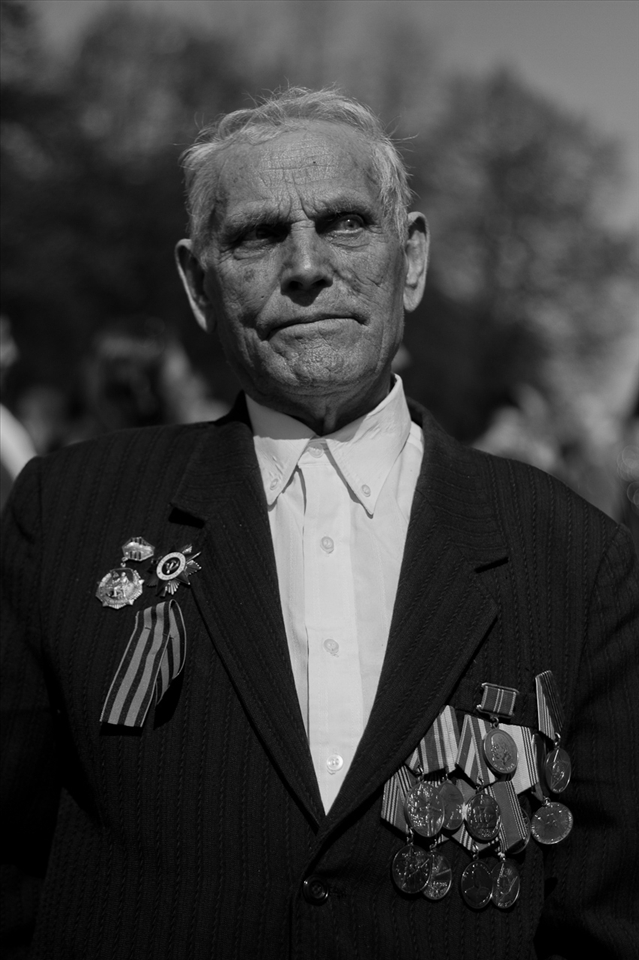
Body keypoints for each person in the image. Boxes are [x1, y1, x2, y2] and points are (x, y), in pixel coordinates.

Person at [1, 87, 637, 960]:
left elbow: (605, 919)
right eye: (258, 235)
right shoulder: (65, 515)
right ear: (197, 281)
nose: (306, 266)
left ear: (410, 258)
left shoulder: (575, 555)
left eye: (344, 224)